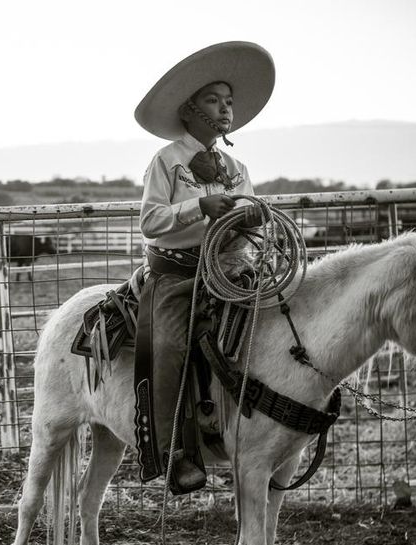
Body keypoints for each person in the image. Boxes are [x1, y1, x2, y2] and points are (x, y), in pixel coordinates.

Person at [132, 41, 275, 494]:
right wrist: (200, 206)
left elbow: (244, 211)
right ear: (190, 110)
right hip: (176, 275)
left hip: (229, 270)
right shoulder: (167, 161)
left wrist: (251, 216)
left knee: (275, 327)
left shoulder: (237, 166)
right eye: (214, 100)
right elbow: (151, 221)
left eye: (229, 101)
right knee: (170, 346)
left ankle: (258, 433)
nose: (225, 108)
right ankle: (175, 449)